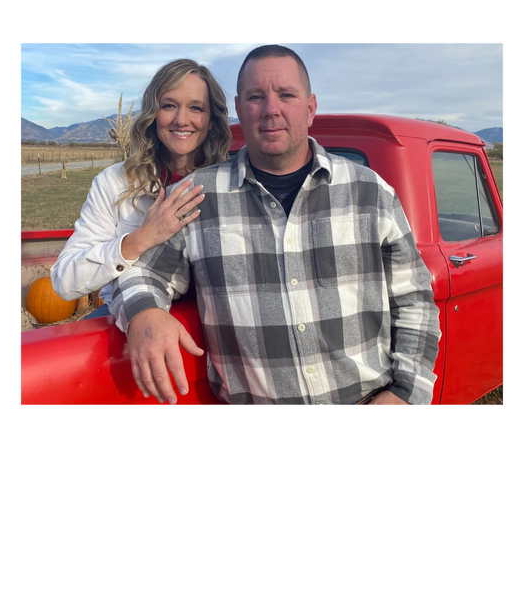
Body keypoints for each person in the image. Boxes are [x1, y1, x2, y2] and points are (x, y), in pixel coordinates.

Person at [110, 45, 441, 408]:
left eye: (286, 95)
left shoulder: (370, 192)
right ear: (238, 109)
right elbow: (139, 272)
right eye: (256, 97)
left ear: (310, 107)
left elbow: (415, 299)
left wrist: (406, 393)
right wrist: (145, 313)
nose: (271, 109)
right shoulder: (195, 198)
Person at [50, 59, 232, 319]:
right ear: (153, 113)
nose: (181, 120)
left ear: (212, 120)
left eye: (196, 107)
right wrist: (141, 238)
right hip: (130, 318)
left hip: (213, 321)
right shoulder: (115, 182)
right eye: (169, 105)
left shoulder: (231, 183)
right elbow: (64, 281)